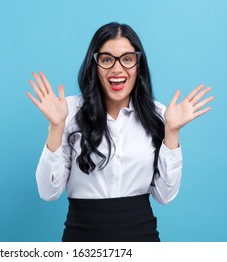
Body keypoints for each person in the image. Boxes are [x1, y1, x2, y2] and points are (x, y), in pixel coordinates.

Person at [26, 22, 214, 242]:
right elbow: (48, 192)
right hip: (81, 241)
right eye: (107, 60)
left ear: (138, 65)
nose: (117, 69)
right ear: (94, 65)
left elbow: (164, 196)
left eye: (127, 59)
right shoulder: (67, 111)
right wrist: (56, 128)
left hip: (141, 239)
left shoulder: (159, 115)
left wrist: (171, 132)